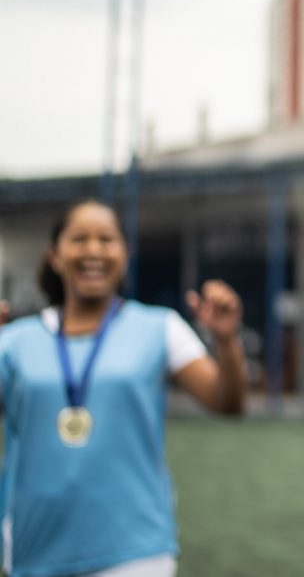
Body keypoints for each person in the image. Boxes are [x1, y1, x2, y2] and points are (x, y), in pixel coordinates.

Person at [0, 200, 248, 577]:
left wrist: (226, 342)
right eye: (79, 239)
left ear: (125, 254)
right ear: (54, 255)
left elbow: (227, 402)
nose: (94, 250)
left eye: (107, 239)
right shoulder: (14, 340)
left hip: (135, 549)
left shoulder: (160, 327)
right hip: (33, 546)